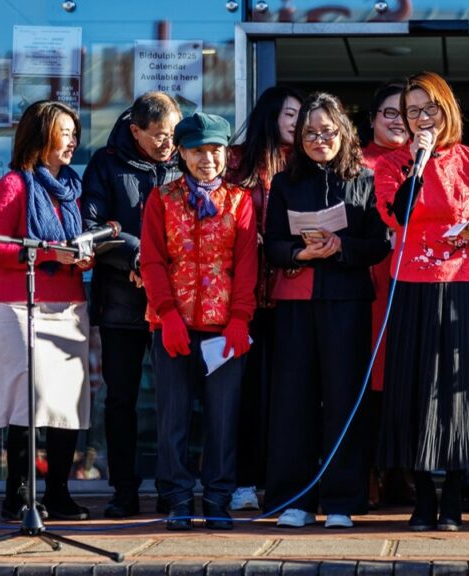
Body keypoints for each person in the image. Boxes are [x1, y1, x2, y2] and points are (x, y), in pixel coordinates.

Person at [373, 71, 469, 532]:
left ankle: (453, 495)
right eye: (412, 112)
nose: (421, 118)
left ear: (446, 108)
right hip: (410, 285)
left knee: (457, 392)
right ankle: (421, 496)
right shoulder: (393, 164)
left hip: (462, 283)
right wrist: (418, 162)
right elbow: (397, 214)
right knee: (413, 389)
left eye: (429, 108)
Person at [263, 92, 391, 529]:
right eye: (310, 133)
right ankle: (293, 499)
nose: (319, 139)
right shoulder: (285, 181)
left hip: (347, 298)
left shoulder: (365, 179)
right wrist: (300, 254)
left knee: (342, 398)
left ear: (344, 132)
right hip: (297, 300)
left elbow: (379, 243)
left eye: (328, 131)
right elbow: (273, 243)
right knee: (293, 400)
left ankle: (341, 499)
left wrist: (340, 247)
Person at [140, 112, 258, 531]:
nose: (207, 158)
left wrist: (241, 319)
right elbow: (153, 260)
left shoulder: (240, 201)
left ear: (226, 153)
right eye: (197, 151)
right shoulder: (161, 199)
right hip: (172, 325)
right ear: (182, 154)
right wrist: (167, 315)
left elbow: (246, 264)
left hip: (224, 326)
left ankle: (218, 498)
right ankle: (176, 499)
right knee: (173, 417)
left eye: (215, 150)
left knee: (223, 418)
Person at [0, 100, 93, 521]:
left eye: (74, 133)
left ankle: (59, 493)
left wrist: (84, 257)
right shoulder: (14, 184)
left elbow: (77, 242)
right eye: (65, 132)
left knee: (65, 402)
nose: (73, 141)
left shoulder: (73, 187)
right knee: (28, 398)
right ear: (40, 135)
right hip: (21, 304)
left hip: (69, 303)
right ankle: (19, 495)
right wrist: (48, 253)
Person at [81, 91, 182, 518]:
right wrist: (137, 255)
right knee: (121, 400)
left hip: (175, 302)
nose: (167, 143)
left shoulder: (185, 160)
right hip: (122, 302)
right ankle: (123, 490)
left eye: (173, 133)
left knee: (173, 399)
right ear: (135, 130)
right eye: (158, 135)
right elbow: (89, 227)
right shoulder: (106, 164)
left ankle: (172, 487)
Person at [226, 86, 303, 512]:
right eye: (290, 114)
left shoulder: (305, 163)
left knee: (286, 392)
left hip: (291, 292)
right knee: (244, 394)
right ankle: (242, 481)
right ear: (271, 115)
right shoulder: (236, 162)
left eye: (301, 115)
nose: (297, 123)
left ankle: (282, 482)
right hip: (243, 296)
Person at [360, 81, 412, 510]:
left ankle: (401, 470)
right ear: (372, 118)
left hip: (412, 277)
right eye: (388, 113)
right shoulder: (356, 162)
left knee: (405, 372)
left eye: (405, 113)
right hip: (369, 277)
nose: (397, 121)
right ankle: (370, 470)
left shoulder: (423, 161)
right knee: (368, 373)